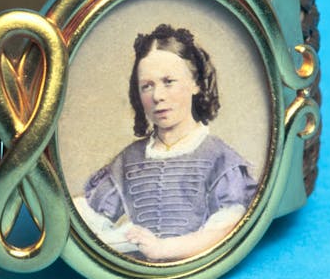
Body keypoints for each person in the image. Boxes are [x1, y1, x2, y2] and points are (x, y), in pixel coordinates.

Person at [84, 24, 257, 261]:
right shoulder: (127, 161)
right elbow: (91, 219)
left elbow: (226, 229)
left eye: (168, 81)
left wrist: (163, 249)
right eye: (147, 86)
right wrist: (120, 237)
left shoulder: (220, 158)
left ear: (195, 84)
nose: (157, 96)